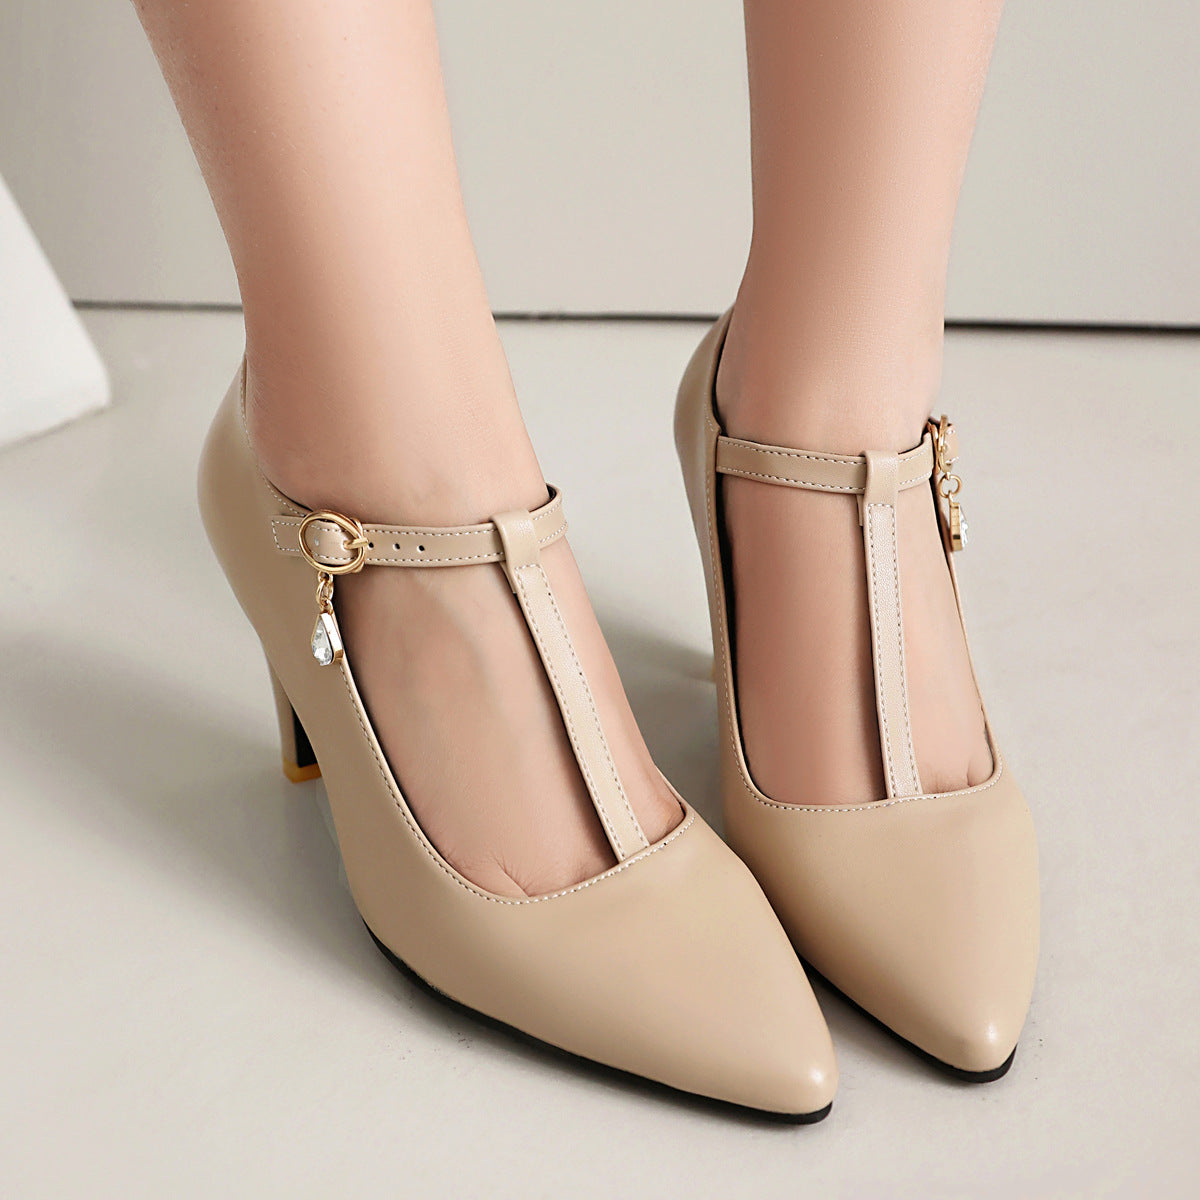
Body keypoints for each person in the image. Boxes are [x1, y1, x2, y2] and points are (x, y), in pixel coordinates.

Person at [132, 0, 1038, 1118]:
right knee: (392, 399)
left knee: (849, 338)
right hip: (360, 505)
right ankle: (377, 458)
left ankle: (830, 398)